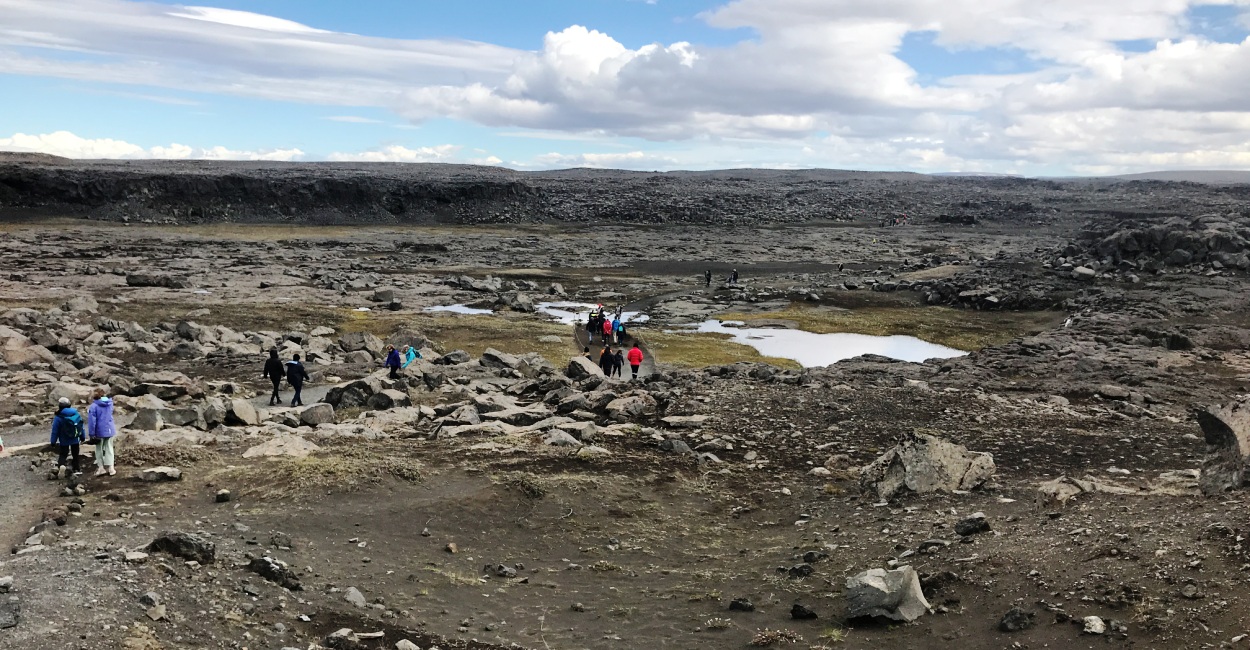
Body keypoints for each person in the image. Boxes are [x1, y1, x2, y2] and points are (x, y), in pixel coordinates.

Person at [50, 397, 86, 476]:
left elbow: (55, 431)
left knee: (63, 454)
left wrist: (53, 442)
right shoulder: (76, 413)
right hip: (75, 438)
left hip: (64, 439)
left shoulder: (59, 417)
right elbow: (81, 427)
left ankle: (61, 466)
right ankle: (76, 469)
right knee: (75, 455)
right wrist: (82, 437)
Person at [86, 388, 117, 476]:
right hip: (110, 429)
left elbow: (92, 422)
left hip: (99, 431)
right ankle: (111, 468)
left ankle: (101, 468)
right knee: (109, 448)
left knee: (99, 449)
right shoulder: (109, 403)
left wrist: (92, 434)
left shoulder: (94, 406)